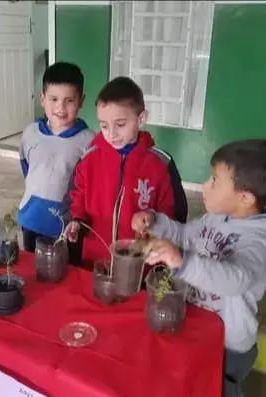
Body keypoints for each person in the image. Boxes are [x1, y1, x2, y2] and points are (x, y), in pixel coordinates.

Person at [132, 139, 266, 397]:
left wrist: (182, 261)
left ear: (244, 197)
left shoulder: (261, 242)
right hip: (197, 327)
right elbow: (184, 234)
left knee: (217, 394)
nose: (206, 186)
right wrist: (155, 222)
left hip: (227, 345)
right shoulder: (216, 217)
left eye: (215, 180)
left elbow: (235, 280)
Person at [63, 77, 188, 266]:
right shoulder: (89, 159)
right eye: (104, 125)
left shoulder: (160, 164)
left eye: (120, 125)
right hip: (95, 260)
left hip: (142, 262)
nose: (111, 133)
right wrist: (75, 221)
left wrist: (153, 221)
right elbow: (75, 198)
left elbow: (175, 214)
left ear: (141, 119)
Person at [17, 62, 95, 252]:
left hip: (68, 225)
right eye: (53, 99)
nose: (60, 107)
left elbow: (88, 185)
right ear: (42, 99)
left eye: (69, 100)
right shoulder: (30, 133)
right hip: (32, 218)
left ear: (81, 101)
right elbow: (27, 166)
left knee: (67, 273)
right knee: (32, 269)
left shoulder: (90, 141)